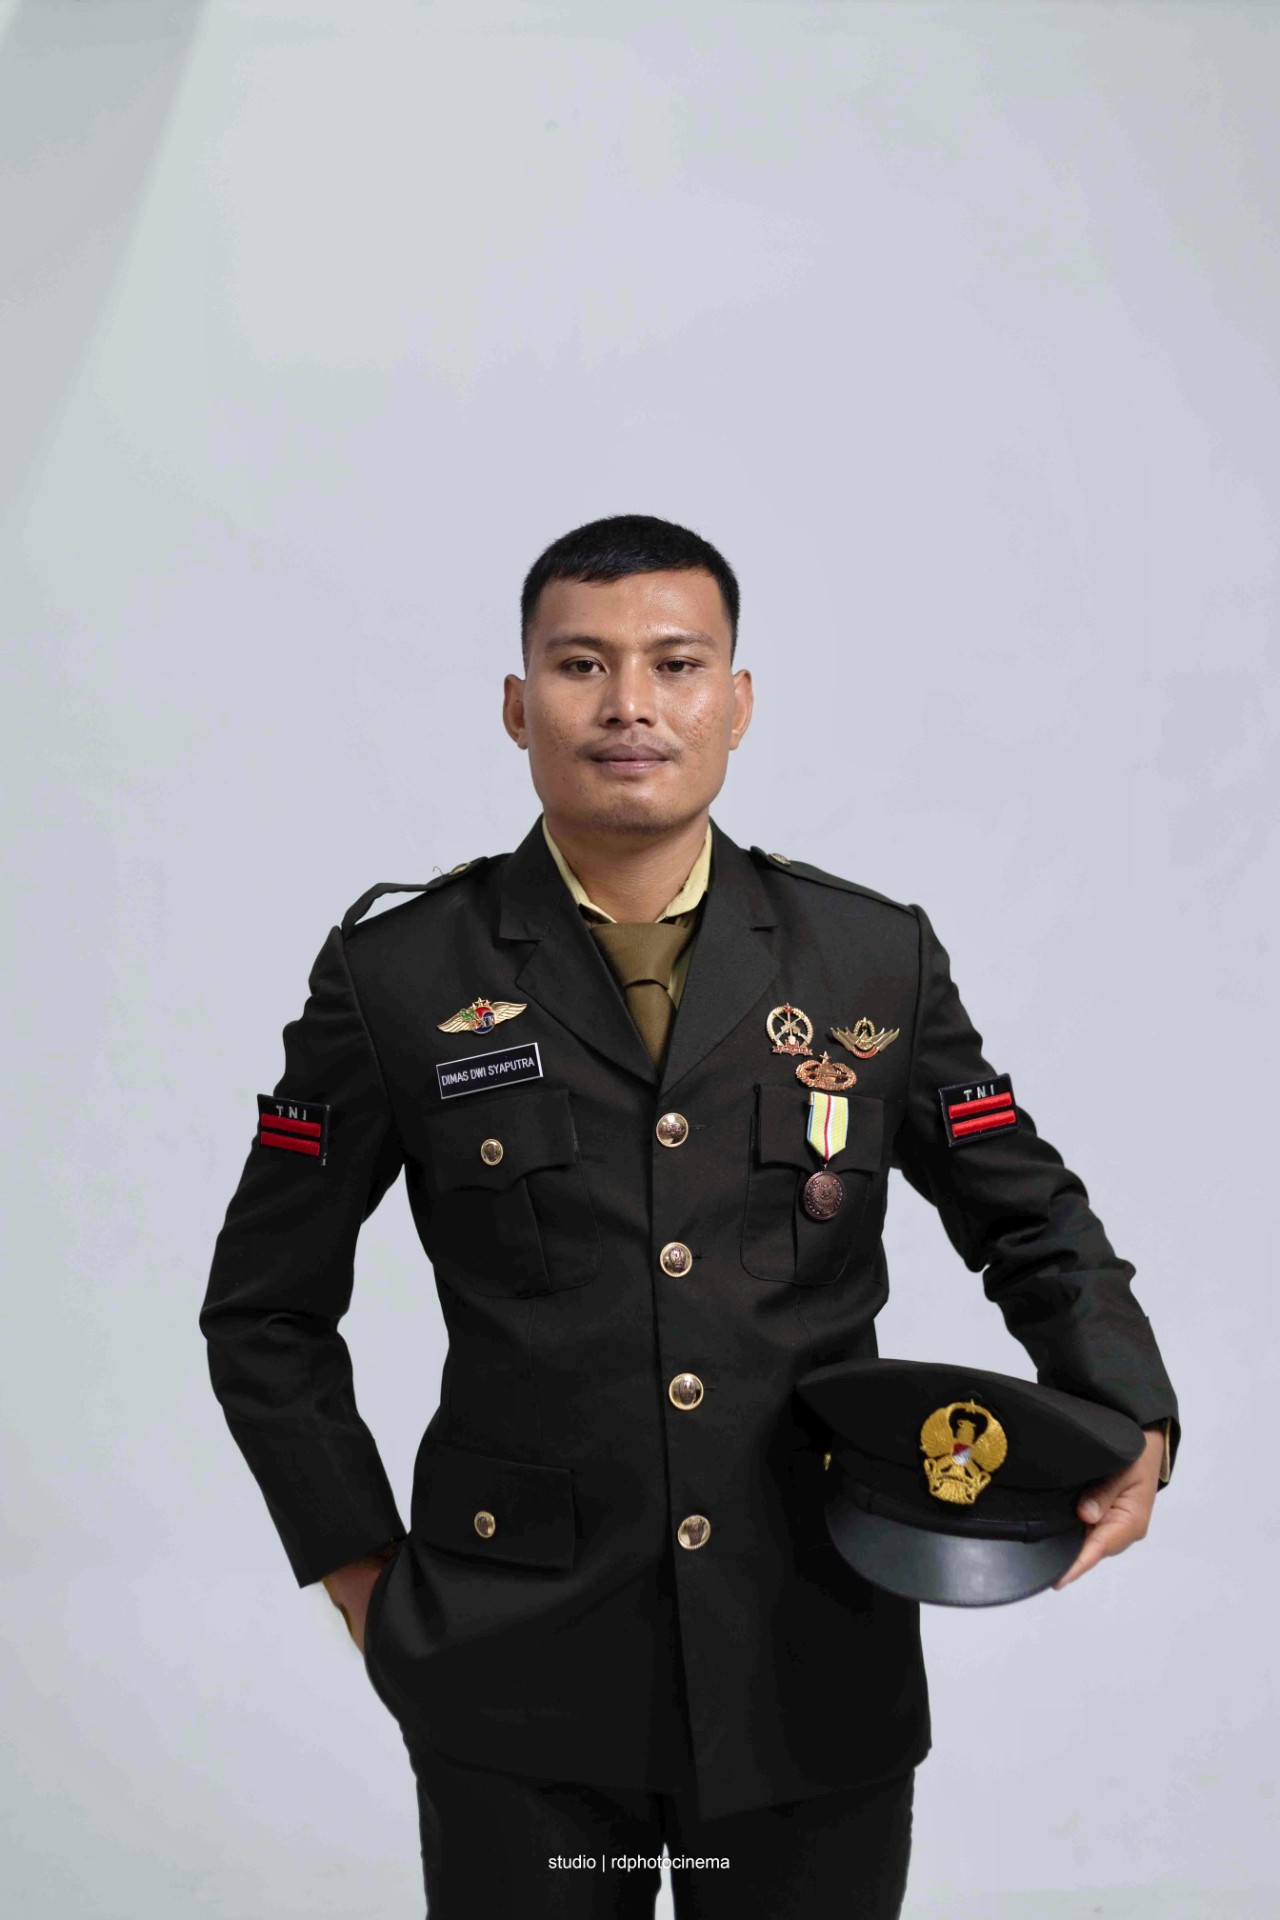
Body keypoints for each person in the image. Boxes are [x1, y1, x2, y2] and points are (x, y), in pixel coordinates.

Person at [199, 513, 1178, 1918]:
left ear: (739, 700)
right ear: (517, 705)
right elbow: (265, 1309)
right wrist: (360, 1574)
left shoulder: (869, 958)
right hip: (510, 1662)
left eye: (675, 663)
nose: (630, 705)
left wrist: (1131, 1413)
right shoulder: (399, 975)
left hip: (810, 1645)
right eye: (580, 665)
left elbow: (1028, 1213)